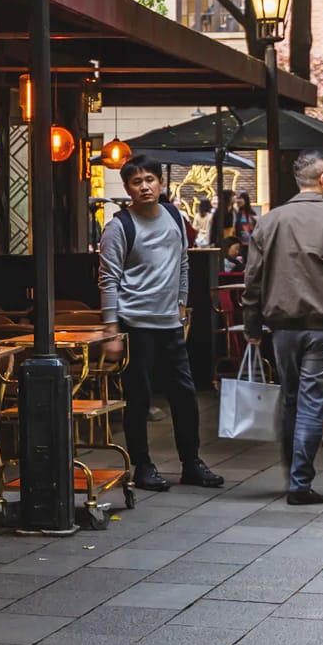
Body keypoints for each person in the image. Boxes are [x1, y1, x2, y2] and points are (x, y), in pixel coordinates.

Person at [100, 156, 223, 492]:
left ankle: (192, 462)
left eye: (150, 179)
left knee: (185, 394)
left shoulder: (172, 216)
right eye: (137, 182)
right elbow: (108, 279)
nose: (144, 186)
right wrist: (111, 329)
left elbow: (183, 260)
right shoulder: (119, 226)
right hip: (135, 322)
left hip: (170, 321)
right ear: (127, 188)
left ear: (160, 183)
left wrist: (182, 303)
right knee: (138, 396)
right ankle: (142, 465)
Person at [242, 151, 323, 505]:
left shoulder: (269, 221)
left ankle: (293, 470)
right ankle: (300, 481)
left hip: (283, 325)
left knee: (291, 397)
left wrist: (251, 323)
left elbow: (252, 278)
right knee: (313, 402)